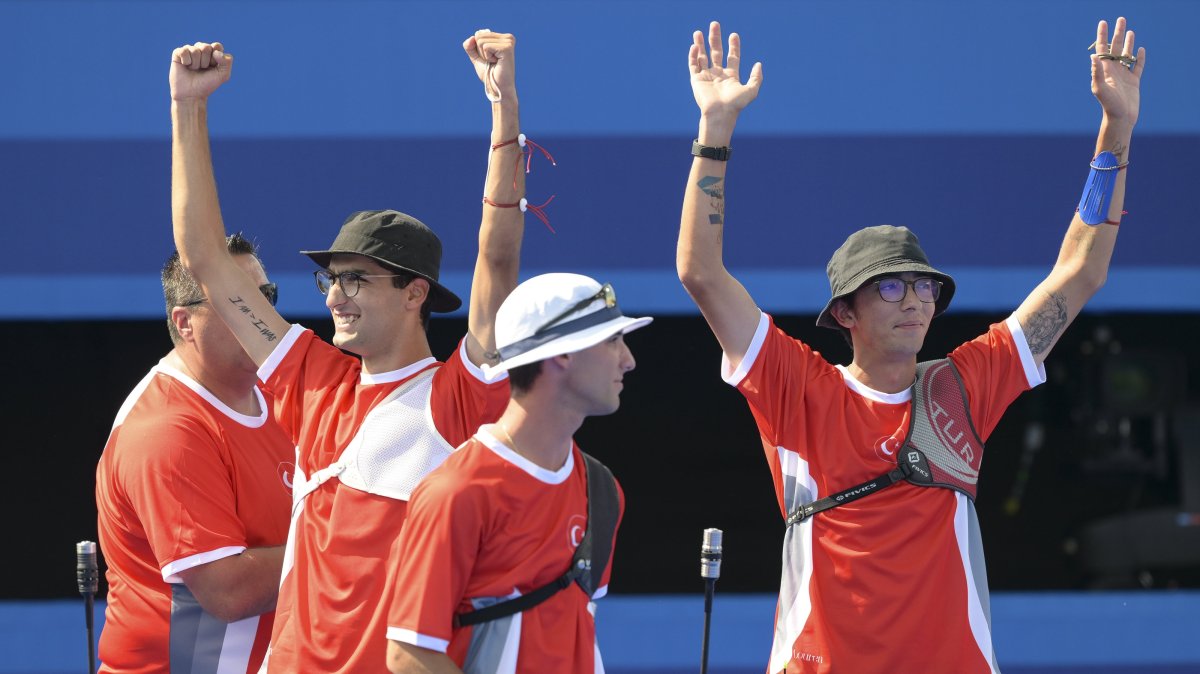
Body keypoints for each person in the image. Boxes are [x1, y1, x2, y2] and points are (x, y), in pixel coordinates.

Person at [676, 18, 1144, 674]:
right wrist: (714, 133)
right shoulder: (797, 388)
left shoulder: (963, 386)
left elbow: (1080, 273)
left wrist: (1116, 128)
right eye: (891, 286)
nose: (916, 300)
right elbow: (701, 273)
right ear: (845, 312)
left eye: (925, 287)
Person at [169, 30, 532, 671]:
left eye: (357, 280)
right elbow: (203, 257)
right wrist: (188, 106)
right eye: (331, 279)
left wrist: (505, 107)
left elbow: (497, 260)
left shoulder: (458, 397)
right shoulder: (311, 375)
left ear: (415, 293)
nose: (335, 297)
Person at [384, 273, 651, 674]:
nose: (628, 359)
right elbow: (409, 655)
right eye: (612, 339)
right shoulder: (457, 491)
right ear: (563, 353)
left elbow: (576, 630)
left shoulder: (602, 490)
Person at [95, 235, 292, 674]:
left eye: (266, 296)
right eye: (236, 299)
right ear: (185, 323)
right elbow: (228, 592)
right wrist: (354, 544)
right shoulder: (166, 430)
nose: (262, 314)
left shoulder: (282, 394)